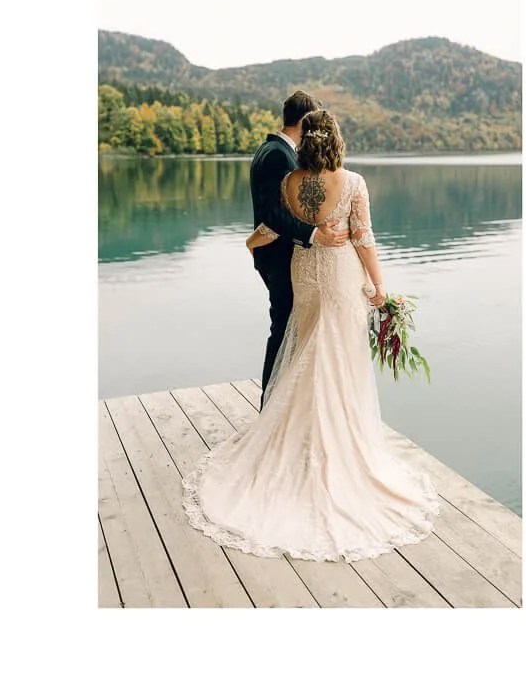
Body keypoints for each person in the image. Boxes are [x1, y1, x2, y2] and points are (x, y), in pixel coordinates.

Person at [182, 108, 441, 562]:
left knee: (305, 351)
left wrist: (252, 243)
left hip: (306, 276)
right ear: (337, 140)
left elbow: (267, 232)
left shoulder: (289, 184)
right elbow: (363, 239)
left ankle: (294, 443)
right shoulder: (355, 183)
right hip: (340, 280)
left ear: (305, 142)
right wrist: (380, 289)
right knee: (337, 361)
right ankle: (336, 450)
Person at [247, 90, 351, 401]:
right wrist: (313, 234)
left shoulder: (274, 150)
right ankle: (271, 407)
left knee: (288, 328)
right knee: (282, 330)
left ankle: (284, 404)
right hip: (278, 258)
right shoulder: (277, 155)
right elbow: (274, 215)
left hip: (275, 254)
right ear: (304, 121)